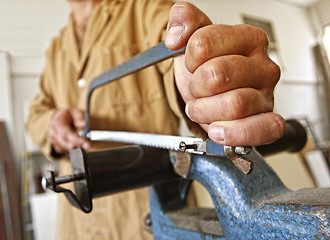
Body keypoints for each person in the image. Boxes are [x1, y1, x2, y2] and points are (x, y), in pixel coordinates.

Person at [26, 0, 285, 239]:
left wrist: (198, 74)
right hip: (77, 220)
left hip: (149, 218)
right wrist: (52, 125)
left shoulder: (145, 8)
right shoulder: (57, 47)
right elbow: (37, 113)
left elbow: (176, 52)